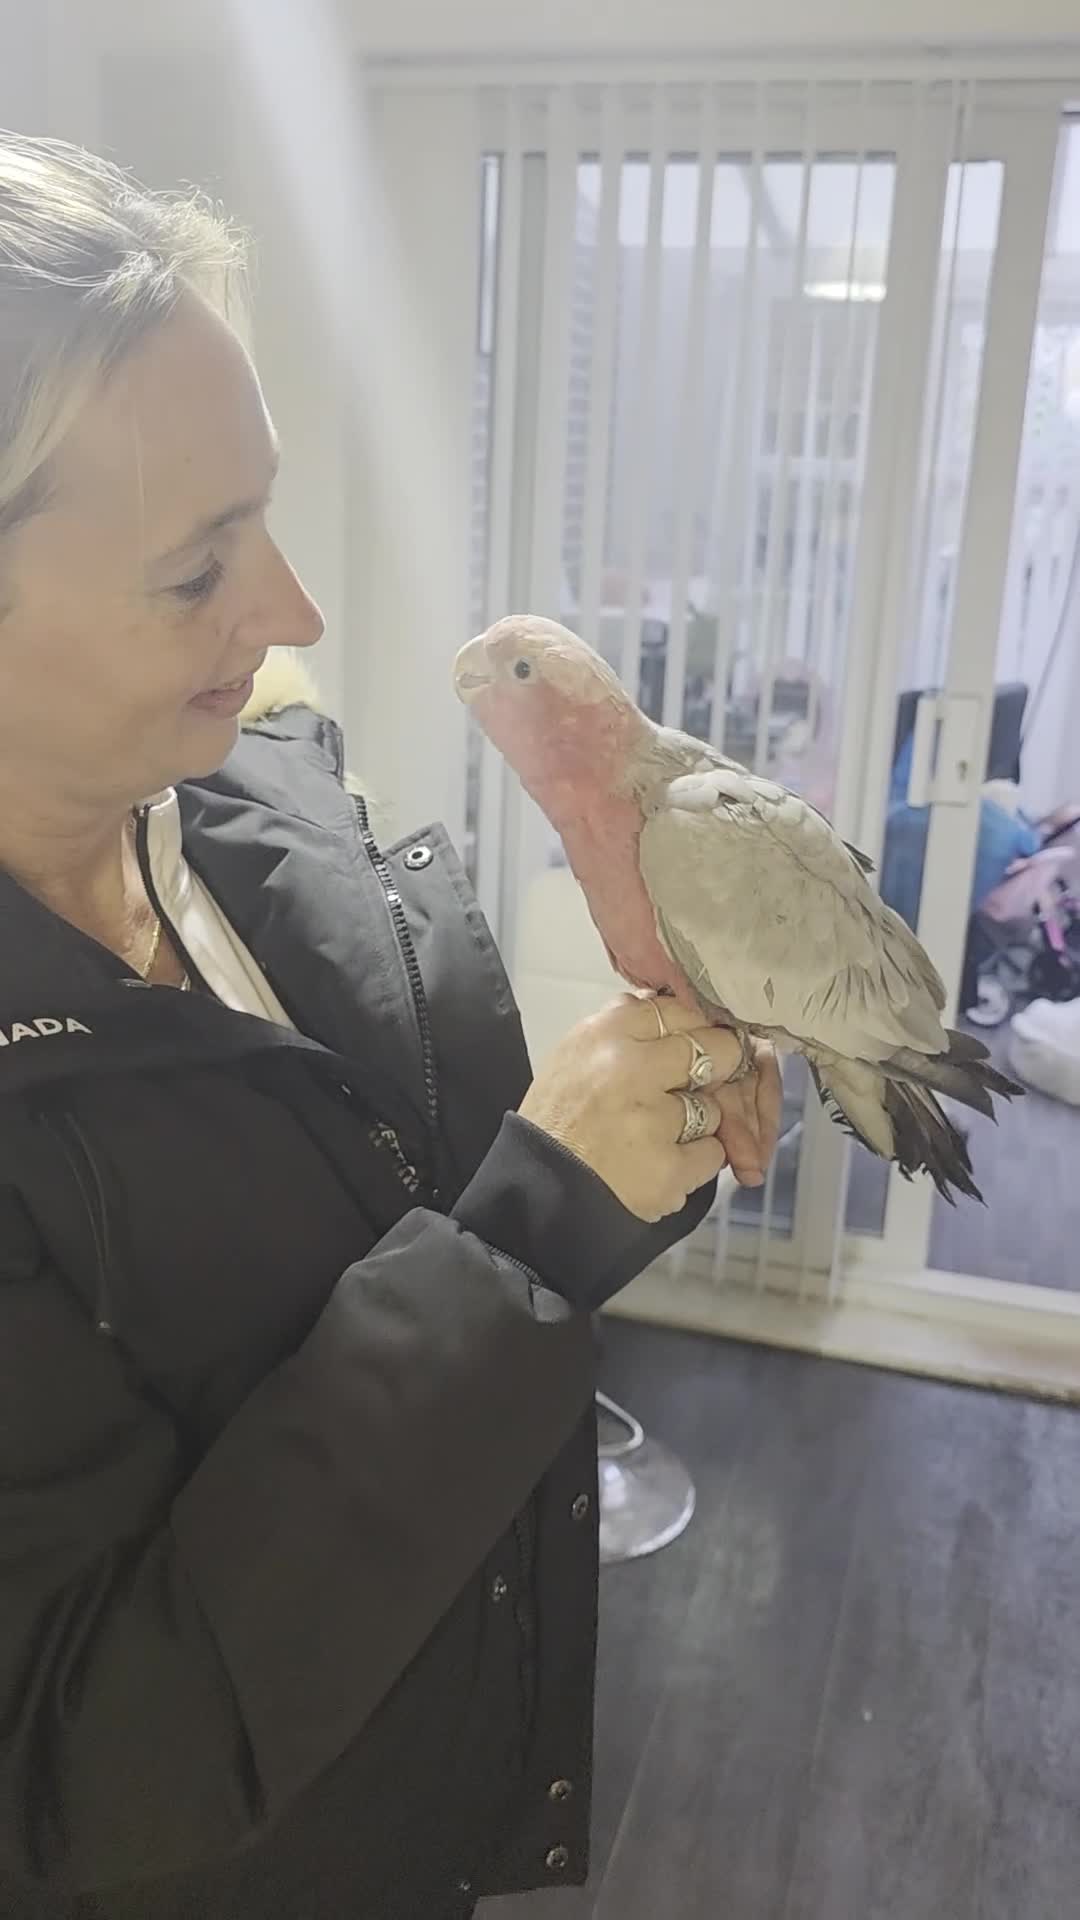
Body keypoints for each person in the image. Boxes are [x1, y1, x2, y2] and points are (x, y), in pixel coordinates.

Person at [0, 133, 781, 1920]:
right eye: (197, 572)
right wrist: (530, 1234)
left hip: (440, 1803)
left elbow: (400, 1211)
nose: (293, 615)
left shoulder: (259, 794)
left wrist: (621, 1144)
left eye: (262, 512)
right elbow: (87, 1761)